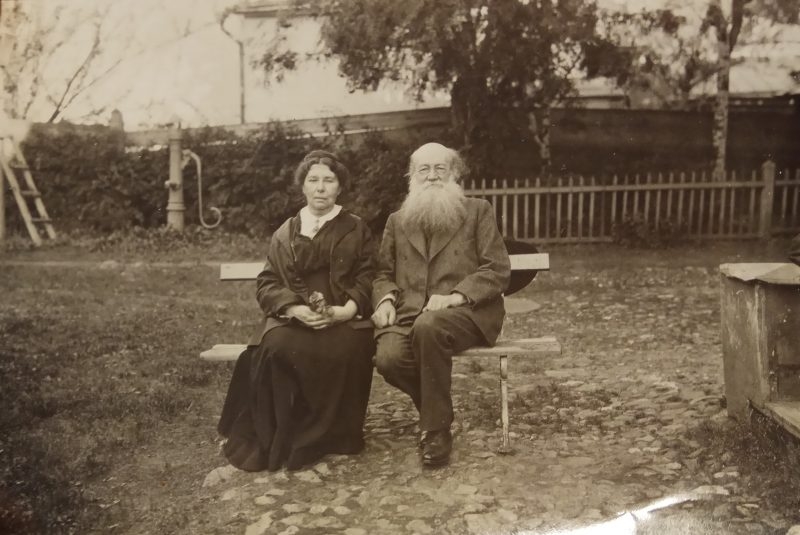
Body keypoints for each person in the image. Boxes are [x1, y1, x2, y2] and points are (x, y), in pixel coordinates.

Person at [217, 150, 376, 472]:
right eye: (313, 180)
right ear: (302, 187)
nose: (320, 188)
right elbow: (267, 282)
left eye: (328, 181)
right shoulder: (285, 232)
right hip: (295, 317)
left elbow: (369, 274)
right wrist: (293, 308)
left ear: (340, 187)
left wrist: (348, 309)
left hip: (344, 318)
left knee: (344, 350)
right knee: (276, 347)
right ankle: (283, 434)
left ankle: (333, 436)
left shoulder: (357, 229)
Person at [371, 142, 511, 467]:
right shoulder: (397, 220)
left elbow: (497, 268)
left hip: (467, 313)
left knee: (429, 325)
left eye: (440, 169)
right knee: (388, 358)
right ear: (412, 176)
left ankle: (435, 431)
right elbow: (381, 273)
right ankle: (440, 411)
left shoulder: (478, 211)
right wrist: (386, 299)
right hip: (408, 314)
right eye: (424, 169)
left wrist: (456, 296)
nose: (432, 176)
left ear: (454, 174)